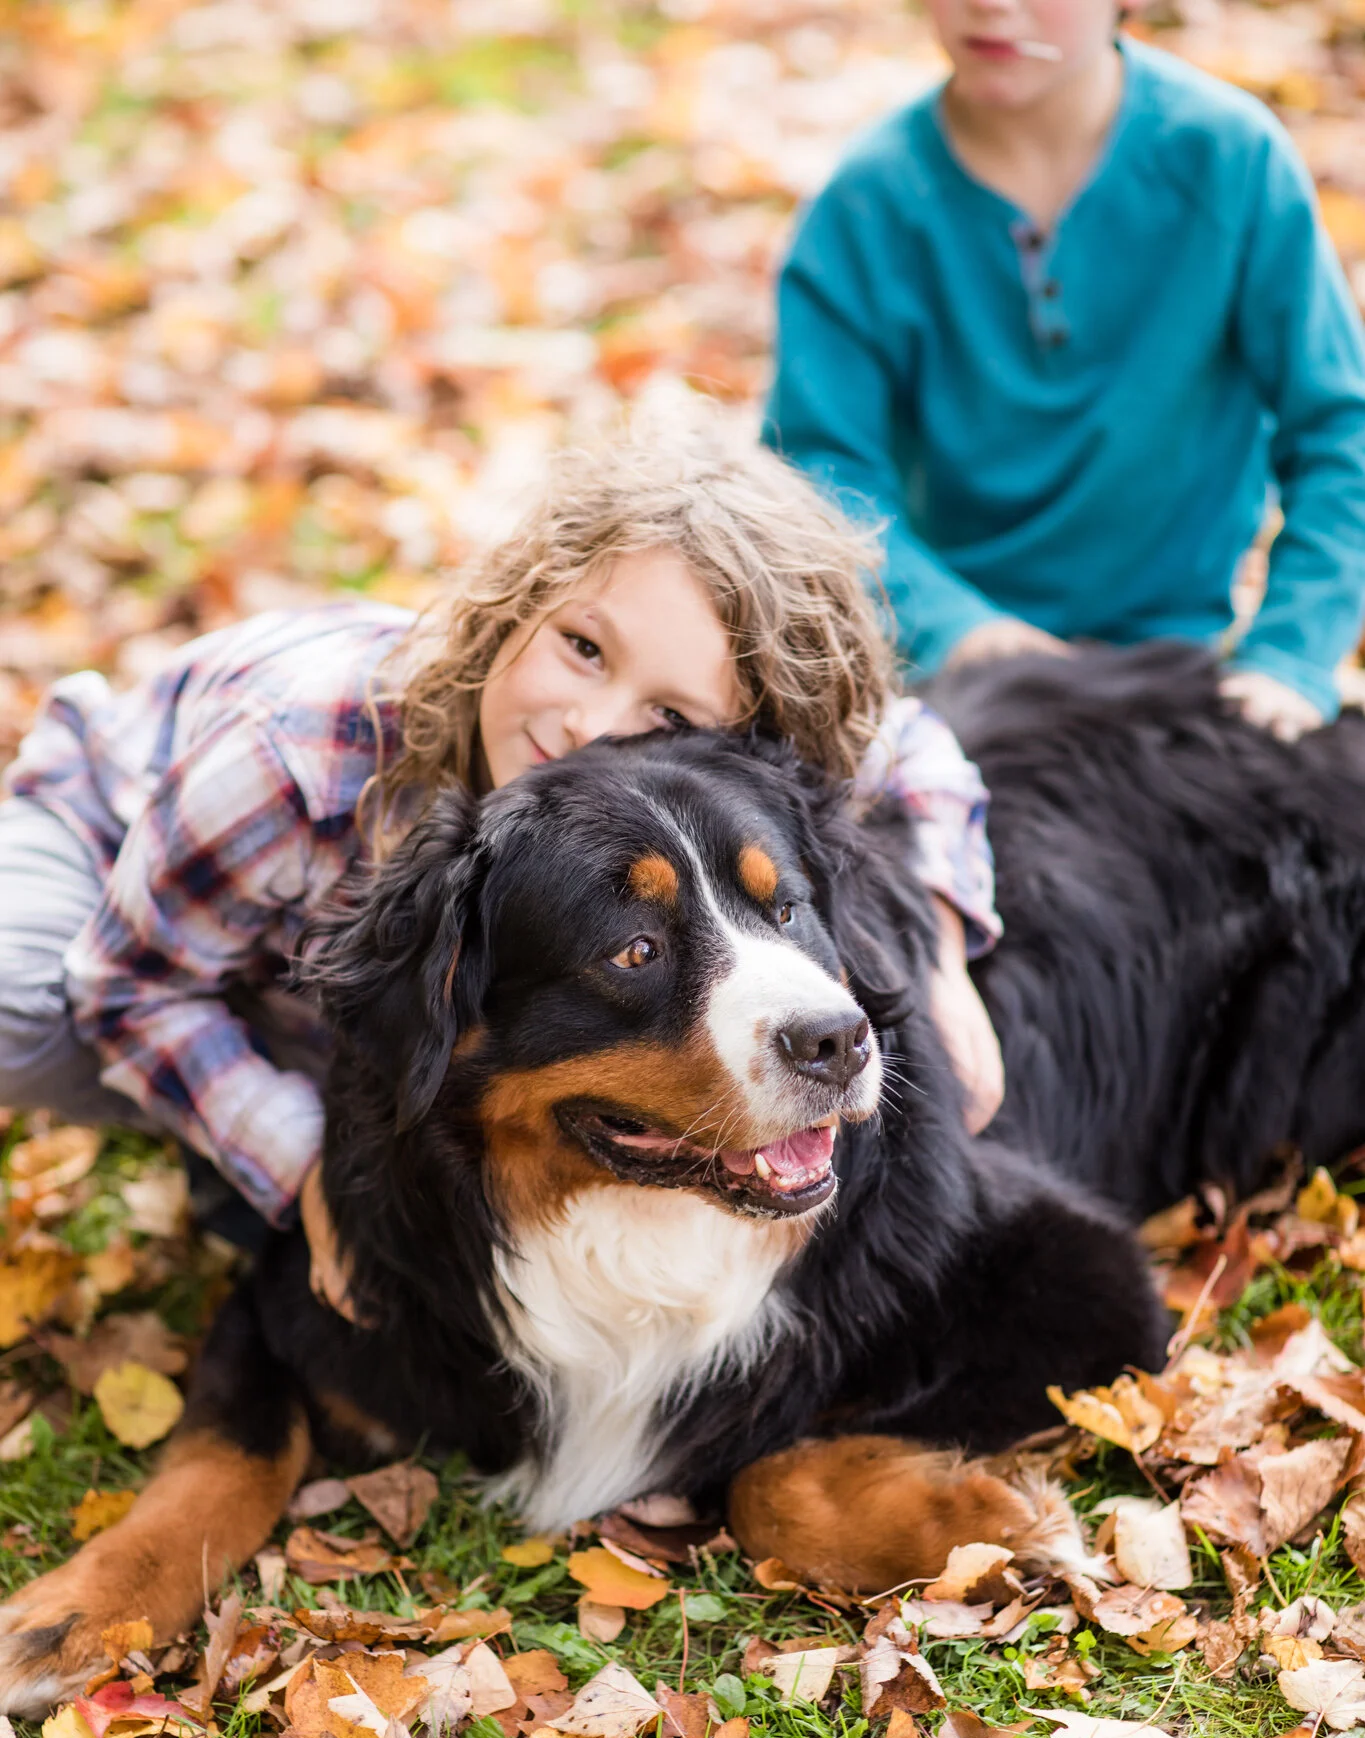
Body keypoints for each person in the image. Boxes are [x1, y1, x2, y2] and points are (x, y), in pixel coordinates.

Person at [0, 432, 1005, 1316]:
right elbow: (130, 983)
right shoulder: (298, 755)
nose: (589, 724)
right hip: (120, 853)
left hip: (356, 958)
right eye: (580, 646)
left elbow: (911, 747)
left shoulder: (697, 773)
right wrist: (310, 1165)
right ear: (520, 604)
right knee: (21, 1002)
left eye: (669, 717)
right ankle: (250, 1097)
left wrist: (949, 960)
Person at [763, 0, 1365, 740]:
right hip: (948, 684)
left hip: (1178, 671)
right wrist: (954, 629)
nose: (990, 6)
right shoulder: (867, 200)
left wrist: (1289, 656)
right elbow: (818, 470)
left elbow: (1340, 427)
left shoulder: (1228, 159)